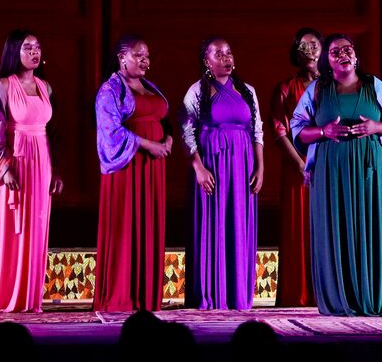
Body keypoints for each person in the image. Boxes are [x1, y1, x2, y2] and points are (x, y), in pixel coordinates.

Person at [291, 33, 382, 316]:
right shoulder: (318, 89)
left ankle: (372, 297)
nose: (343, 53)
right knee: (334, 226)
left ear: (355, 56)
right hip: (331, 168)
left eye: (347, 49)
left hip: (369, 167)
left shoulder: (373, 85)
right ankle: (337, 299)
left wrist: (376, 128)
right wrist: (323, 131)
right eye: (335, 51)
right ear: (327, 61)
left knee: (370, 226)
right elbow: (298, 129)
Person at [180, 37, 264, 310]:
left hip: (242, 165)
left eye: (229, 52)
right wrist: (199, 168)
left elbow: (257, 131)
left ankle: (237, 294)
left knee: (238, 223)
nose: (226, 57)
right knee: (212, 224)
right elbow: (186, 130)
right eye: (219, 54)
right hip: (212, 166)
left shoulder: (246, 90)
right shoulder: (197, 91)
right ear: (207, 61)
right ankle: (210, 293)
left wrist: (260, 167)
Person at [0, 29, 63, 312]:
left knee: (36, 227)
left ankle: (29, 298)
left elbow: (53, 134)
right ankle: (3, 293)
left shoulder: (46, 87)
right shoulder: (3, 86)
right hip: (15, 161)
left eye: (37, 47)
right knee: (11, 229)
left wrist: (55, 171)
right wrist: (4, 168)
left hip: (41, 161)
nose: (34, 52)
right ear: (14, 52)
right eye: (27, 47)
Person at [94, 34, 172, 311]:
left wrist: (168, 139)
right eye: (138, 55)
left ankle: (146, 295)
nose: (145, 60)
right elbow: (110, 131)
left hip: (153, 168)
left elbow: (163, 118)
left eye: (147, 55)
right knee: (125, 226)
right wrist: (148, 144)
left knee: (148, 224)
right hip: (127, 168)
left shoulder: (149, 86)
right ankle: (120, 295)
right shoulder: (110, 90)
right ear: (121, 57)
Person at [270, 27, 321, 307]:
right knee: (300, 230)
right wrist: (302, 164)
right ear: (296, 53)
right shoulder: (286, 88)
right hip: (298, 168)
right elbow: (279, 133)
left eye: (314, 44)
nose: (310, 49)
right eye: (303, 46)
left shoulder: (335, 85)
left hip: (330, 167)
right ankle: (299, 293)